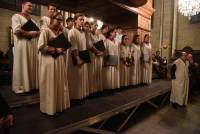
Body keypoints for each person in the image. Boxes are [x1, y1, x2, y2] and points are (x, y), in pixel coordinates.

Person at [38, 12, 70, 115]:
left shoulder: (60, 33)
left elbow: (63, 47)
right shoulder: (45, 31)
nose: (60, 22)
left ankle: (57, 106)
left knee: (58, 83)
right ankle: (49, 108)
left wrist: (63, 49)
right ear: (52, 19)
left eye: (61, 20)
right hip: (49, 61)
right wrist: (55, 49)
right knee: (50, 84)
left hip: (59, 60)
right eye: (58, 19)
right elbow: (41, 46)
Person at [11, 1, 40, 93]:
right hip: (22, 45)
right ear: (23, 6)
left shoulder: (33, 20)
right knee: (23, 64)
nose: (31, 7)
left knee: (31, 65)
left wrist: (37, 33)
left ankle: (31, 85)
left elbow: (38, 32)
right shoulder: (16, 16)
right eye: (29, 5)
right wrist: (29, 33)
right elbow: (16, 31)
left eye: (32, 6)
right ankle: (21, 87)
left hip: (32, 45)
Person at [68, 13, 89, 100]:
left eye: (83, 20)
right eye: (80, 19)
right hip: (76, 56)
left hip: (83, 56)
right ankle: (74, 97)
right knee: (75, 77)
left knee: (81, 77)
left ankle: (80, 96)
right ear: (75, 20)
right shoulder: (72, 31)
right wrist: (77, 58)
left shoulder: (82, 32)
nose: (82, 21)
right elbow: (74, 46)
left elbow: (85, 45)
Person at [86, 21, 104, 94]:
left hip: (98, 56)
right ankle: (91, 90)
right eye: (95, 25)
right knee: (92, 72)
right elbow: (89, 45)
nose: (96, 27)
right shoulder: (88, 34)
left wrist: (102, 51)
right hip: (92, 55)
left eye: (97, 25)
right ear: (91, 26)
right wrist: (97, 52)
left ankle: (96, 89)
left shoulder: (97, 35)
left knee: (97, 72)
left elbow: (100, 45)